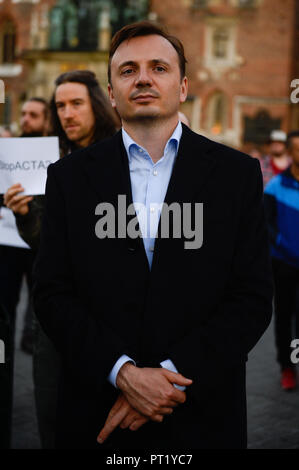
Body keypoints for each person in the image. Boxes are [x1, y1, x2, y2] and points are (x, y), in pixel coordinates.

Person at [33, 21, 273, 449]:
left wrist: (169, 377)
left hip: (201, 408)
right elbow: (52, 292)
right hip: (98, 409)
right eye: (127, 70)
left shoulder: (236, 175)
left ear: (182, 87)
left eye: (158, 67)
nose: (143, 78)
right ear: (111, 92)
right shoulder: (68, 178)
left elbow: (251, 296)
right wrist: (123, 373)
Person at [4, 70, 118, 449]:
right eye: (60, 106)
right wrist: (23, 214)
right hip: (53, 313)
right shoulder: (47, 160)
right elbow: (41, 240)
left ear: (97, 106)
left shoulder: (121, 154)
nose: (67, 114)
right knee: (53, 416)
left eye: (76, 104)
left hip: (108, 311)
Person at [264, 130, 299, 391]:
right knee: (284, 315)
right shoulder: (276, 185)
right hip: (284, 264)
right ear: (290, 152)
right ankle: (287, 367)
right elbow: (265, 224)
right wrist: (281, 245)